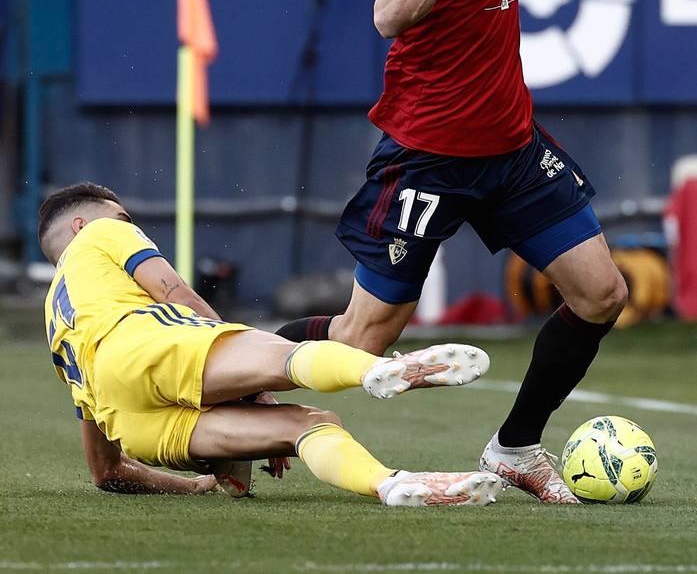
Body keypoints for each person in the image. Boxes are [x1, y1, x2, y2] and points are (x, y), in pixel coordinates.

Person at [277, 0, 655, 504]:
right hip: (430, 157)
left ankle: (515, 447)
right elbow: (387, 13)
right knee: (364, 340)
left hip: (510, 147)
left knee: (600, 293)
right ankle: (228, 374)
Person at [39, 181, 503, 508]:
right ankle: (372, 372)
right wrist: (252, 388)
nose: (130, 222)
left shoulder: (56, 315)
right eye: (124, 216)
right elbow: (177, 294)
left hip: (131, 420)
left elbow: (106, 471)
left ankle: (391, 485)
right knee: (289, 362)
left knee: (311, 425)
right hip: (146, 344)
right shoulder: (102, 232)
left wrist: (193, 487)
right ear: (81, 225)